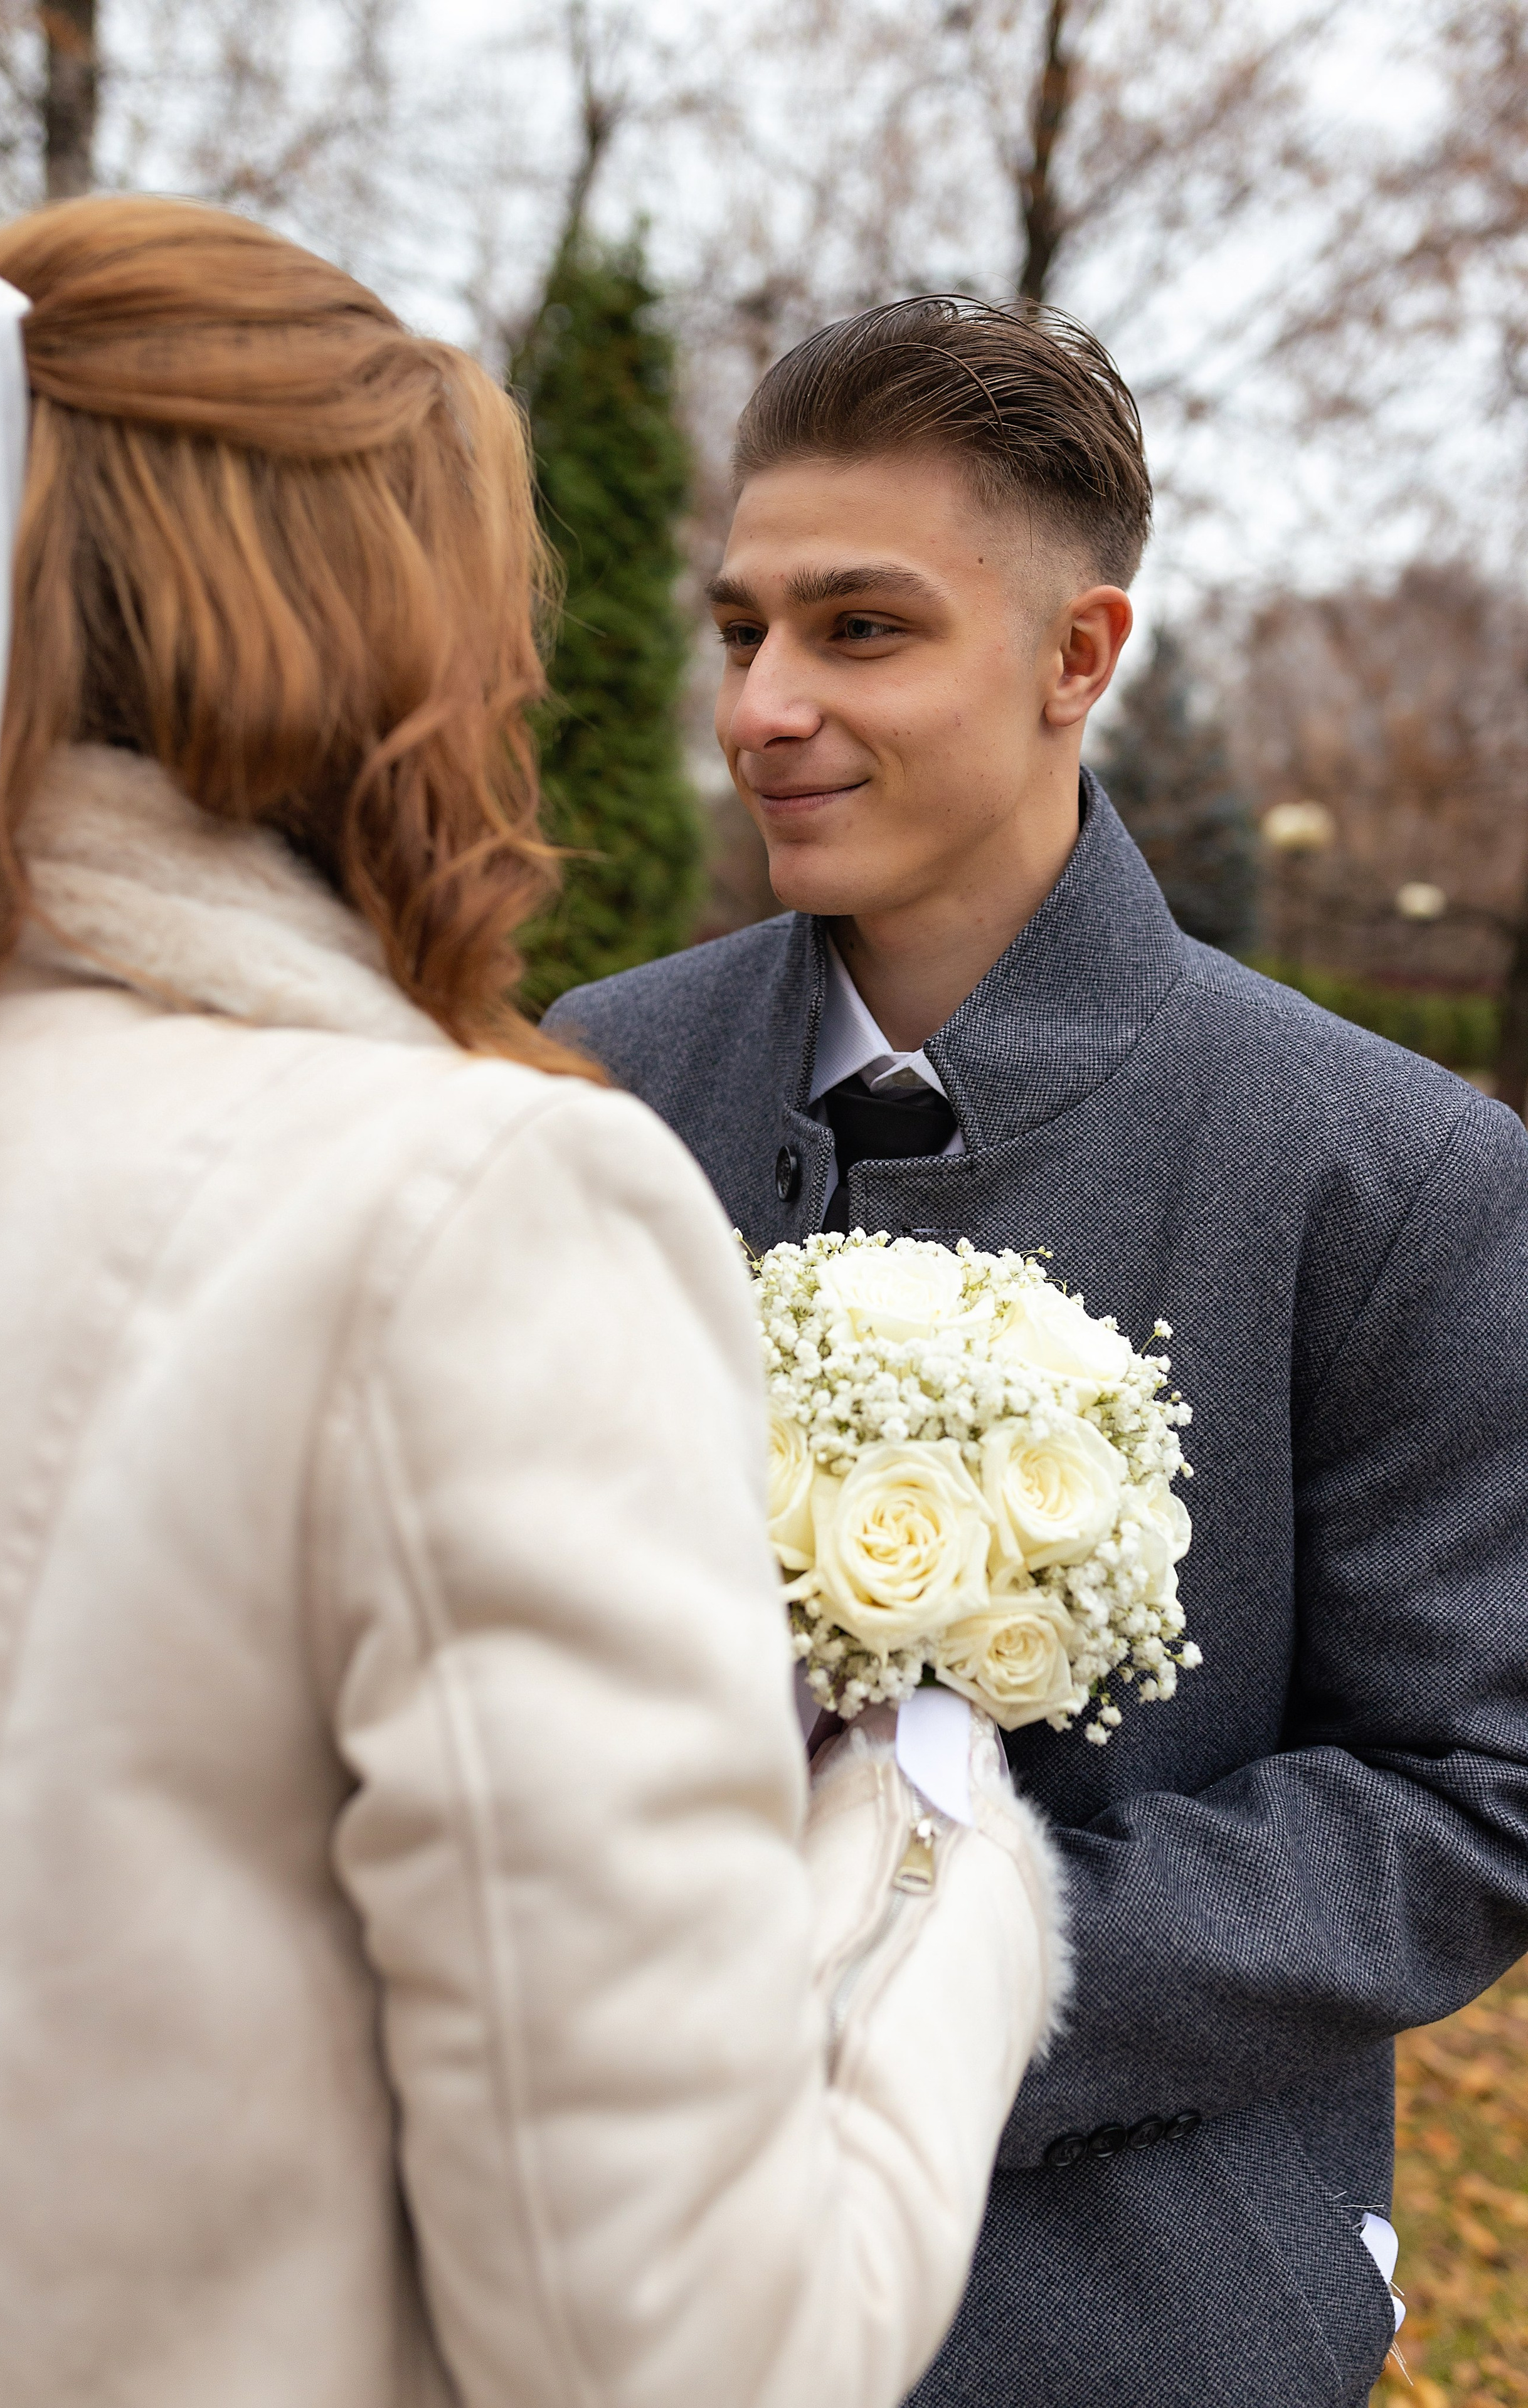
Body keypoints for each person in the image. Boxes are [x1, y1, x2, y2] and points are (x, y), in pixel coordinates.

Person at [0, 208, 1068, 2408]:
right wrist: (950, 1847)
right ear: (384, 639)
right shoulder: (463, 1206)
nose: (749, 705)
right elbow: (682, 2354)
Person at [543, 296, 1528, 2408]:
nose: (766, 707)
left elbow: (1466, 1794)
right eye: (744, 632)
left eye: (862, 631)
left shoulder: (1395, 1173)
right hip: (588, 2283)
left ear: (1082, 655)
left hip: (1127, 2307)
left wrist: (912, 1966)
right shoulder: (584, 1085)